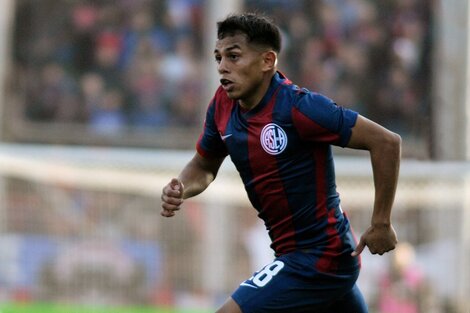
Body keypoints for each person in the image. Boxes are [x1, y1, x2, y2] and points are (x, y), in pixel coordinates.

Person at [161, 13, 401, 313]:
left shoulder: (300, 107)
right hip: (300, 256)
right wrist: (181, 187)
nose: (223, 66)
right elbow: (204, 165)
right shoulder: (222, 105)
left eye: (234, 56)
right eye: (218, 57)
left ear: (267, 61)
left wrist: (381, 222)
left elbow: (387, 142)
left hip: (319, 257)